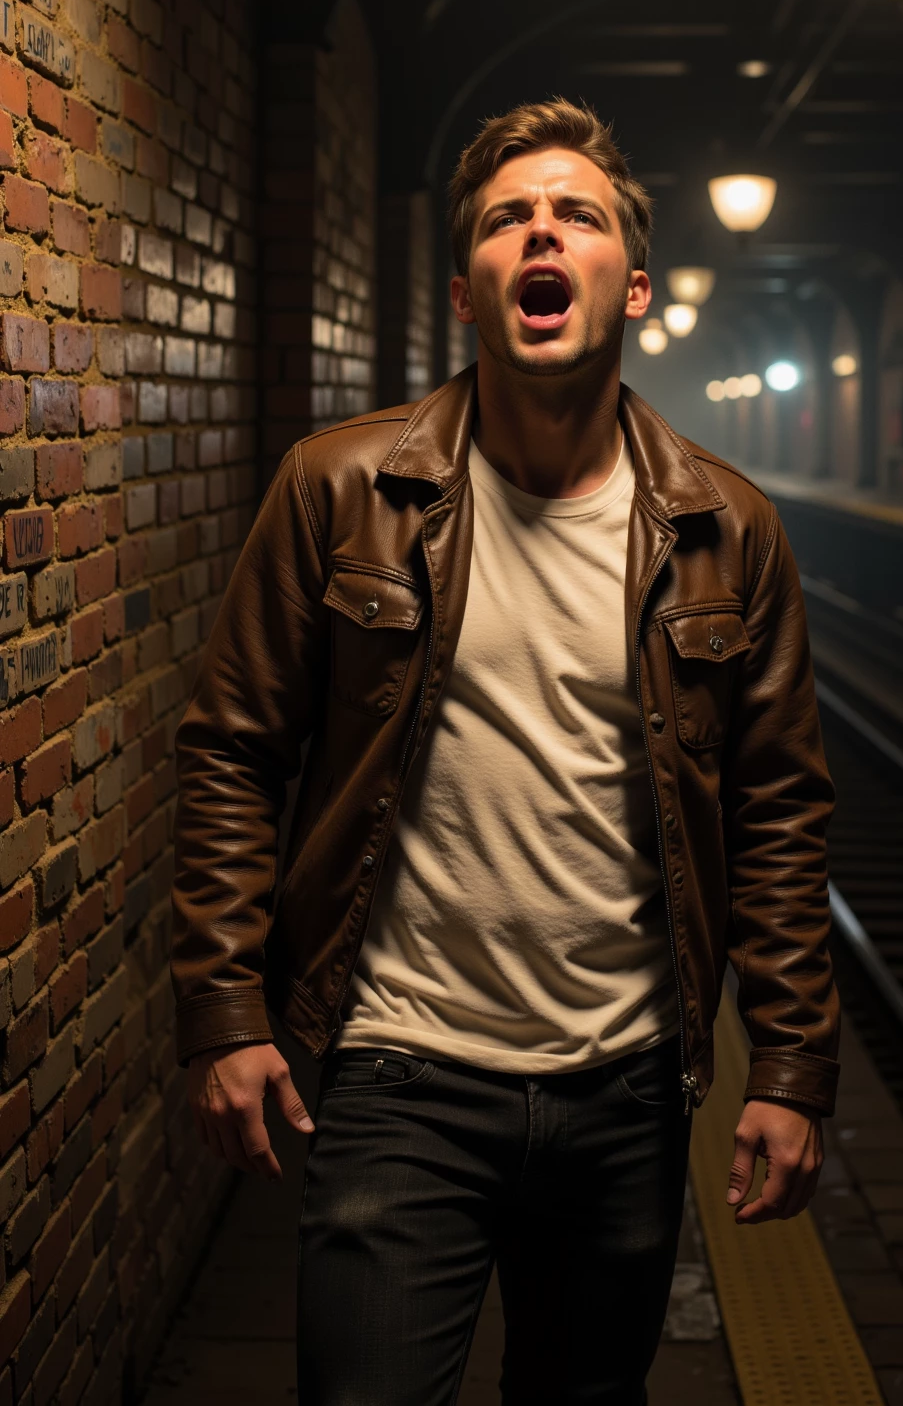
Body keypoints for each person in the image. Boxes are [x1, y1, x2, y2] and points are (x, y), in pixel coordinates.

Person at [172, 98, 839, 1406]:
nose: (542, 232)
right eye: (506, 221)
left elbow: (779, 812)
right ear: (471, 293)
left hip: (628, 1093)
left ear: (630, 286)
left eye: (576, 216)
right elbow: (231, 752)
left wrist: (794, 1067)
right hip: (400, 1078)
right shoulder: (338, 489)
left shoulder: (729, 529)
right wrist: (223, 1010)